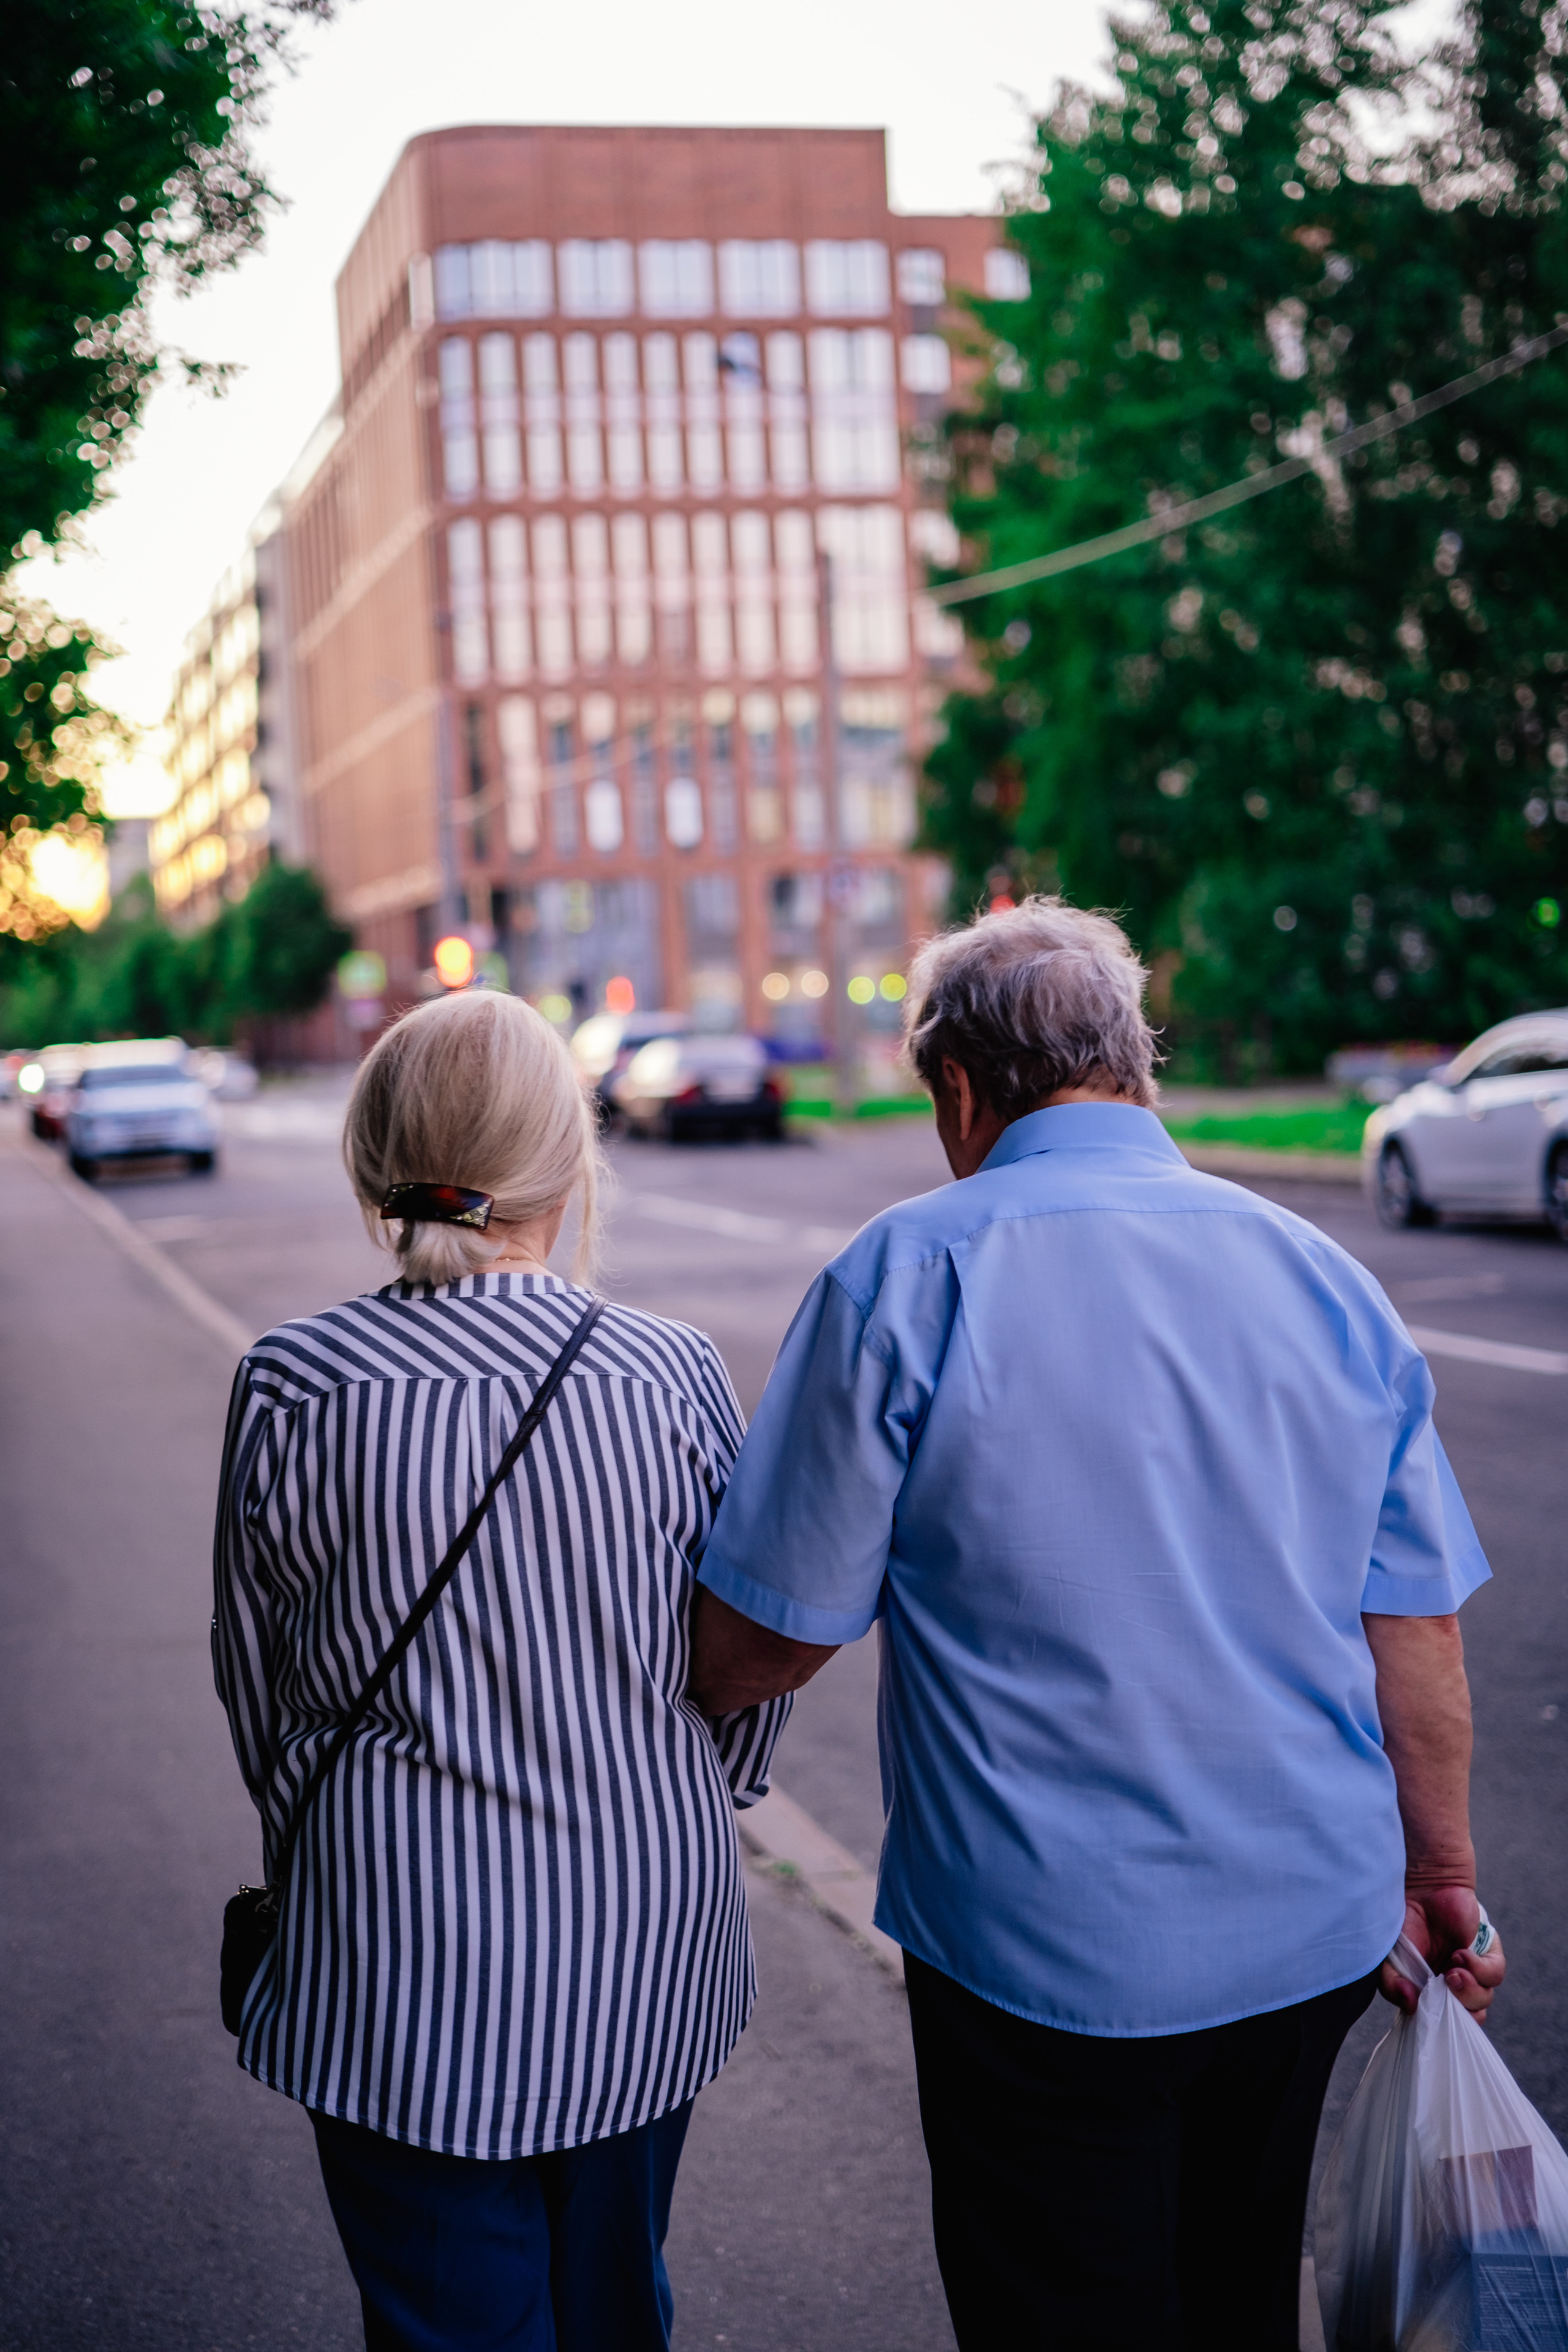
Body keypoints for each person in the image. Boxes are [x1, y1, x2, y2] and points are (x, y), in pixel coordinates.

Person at [688, 897, 1506, 2352]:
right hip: (1301, 1933)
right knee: (1239, 2290)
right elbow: (1417, 1638)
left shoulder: (904, 1275)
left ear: (954, 1088)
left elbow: (757, 1647)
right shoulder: (1322, 1278)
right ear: (1133, 1068)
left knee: (1059, 2312)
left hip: (1036, 1954)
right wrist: (1438, 1870)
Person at [213, 989, 787, 2352]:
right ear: (567, 1161)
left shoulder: (292, 1384)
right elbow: (737, 1684)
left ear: (373, 1163)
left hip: (393, 1967)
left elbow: (259, 1689)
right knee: (615, 2303)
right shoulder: (667, 1375)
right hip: (641, 1949)